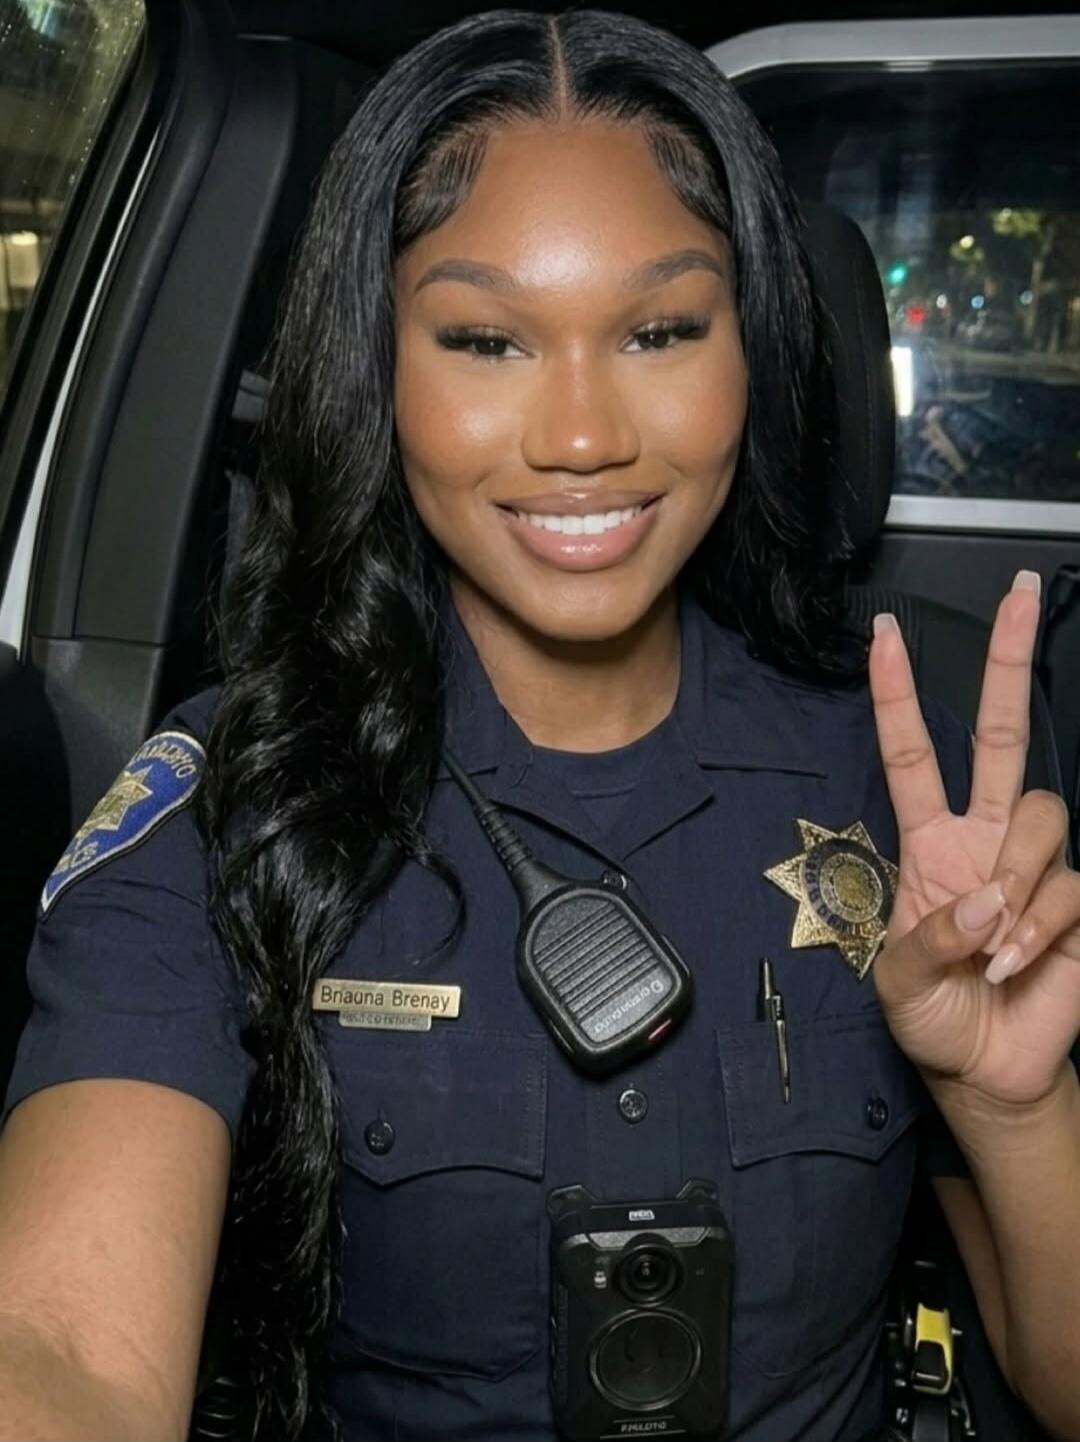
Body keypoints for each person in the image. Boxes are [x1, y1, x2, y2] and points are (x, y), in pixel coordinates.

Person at [0, 9, 1078, 1441]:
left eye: (659, 329)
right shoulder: (231, 804)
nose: (581, 435)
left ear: (748, 357)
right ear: (378, 372)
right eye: (488, 340)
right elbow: (64, 1342)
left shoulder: (913, 787)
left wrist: (1011, 1102)